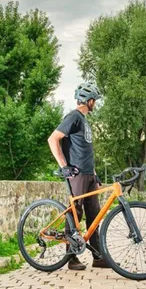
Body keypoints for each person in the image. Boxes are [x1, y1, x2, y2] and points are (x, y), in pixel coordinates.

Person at [47, 82, 110, 271]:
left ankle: (98, 257)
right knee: (76, 213)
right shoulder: (73, 117)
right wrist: (64, 167)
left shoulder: (84, 120)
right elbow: (53, 139)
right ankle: (71, 257)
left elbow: (86, 151)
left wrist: (95, 175)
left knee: (94, 214)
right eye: (94, 101)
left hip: (89, 174)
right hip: (77, 173)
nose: (95, 104)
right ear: (88, 100)